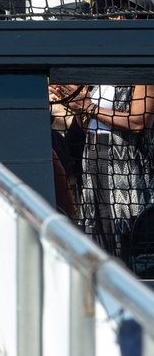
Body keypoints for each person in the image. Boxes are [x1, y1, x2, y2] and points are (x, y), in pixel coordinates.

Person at [50, 82, 154, 260]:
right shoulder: (96, 79)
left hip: (128, 168)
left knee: (128, 246)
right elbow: (88, 127)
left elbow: (139, 123)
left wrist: (89, 107)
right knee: (101, 242)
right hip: (96, 161)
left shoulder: (139, 68)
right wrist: (76, 105)